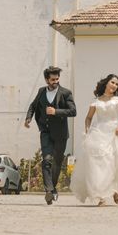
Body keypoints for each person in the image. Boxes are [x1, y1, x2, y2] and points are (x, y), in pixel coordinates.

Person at [70, 74, 118, 206]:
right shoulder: (96, 102)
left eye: (117, 84)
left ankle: (115, 190)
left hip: (115, 133)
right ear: (106, 83)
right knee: (98, 164)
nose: (115, 85)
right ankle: (101, 196)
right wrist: (87, 130)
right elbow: (88, 118)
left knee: (114, 163)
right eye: (112, 82)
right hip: (98, 133)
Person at [25, 66, 76, 205]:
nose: (56, 81)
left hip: (61, 134)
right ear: (47, 80)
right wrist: (28, 118)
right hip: (45, 132)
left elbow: (73, 111)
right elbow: (33, 106)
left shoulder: (66, 93)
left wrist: (56, 111)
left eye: (57, 78)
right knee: (46, 160)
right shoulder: (41, 91)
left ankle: (53, 189)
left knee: (57, 163)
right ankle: (48, 190)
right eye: (53, 79)